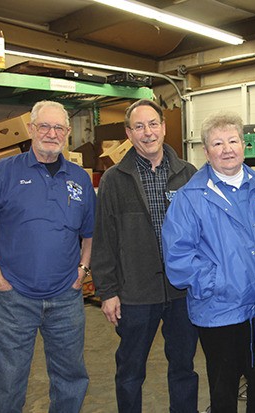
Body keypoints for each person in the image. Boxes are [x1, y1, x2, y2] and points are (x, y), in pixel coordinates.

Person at [0, 100, 94, 413]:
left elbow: (90, 232)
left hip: (66, 298)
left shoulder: (80, 178)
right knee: (9, 381)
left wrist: (83, 270)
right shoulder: (2, 173)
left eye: (59, 128)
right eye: (44, 126)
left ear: (66, 135)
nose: (52, 133)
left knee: (71, 378)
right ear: (32, 129)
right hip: (14, 299)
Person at [162, 112, 255, 413]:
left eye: (233, 141)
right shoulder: (191, 198)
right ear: (206, 151)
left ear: (244, 145)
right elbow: (178, 258)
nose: (227, 149)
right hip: (219, 311)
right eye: (218, 143)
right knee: (224, 389)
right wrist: (219, 283)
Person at [90, 98, 199, 412]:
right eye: (138, 126)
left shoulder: (187, 174)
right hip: (136, 294)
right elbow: (104, 240)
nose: (147, 132)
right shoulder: (114, 180)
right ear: (128, 133)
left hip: (181, 293)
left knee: (184, 367)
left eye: (153, 124)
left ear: (164, 128)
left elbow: (202, 233)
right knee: (130, 371)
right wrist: (108, 292)